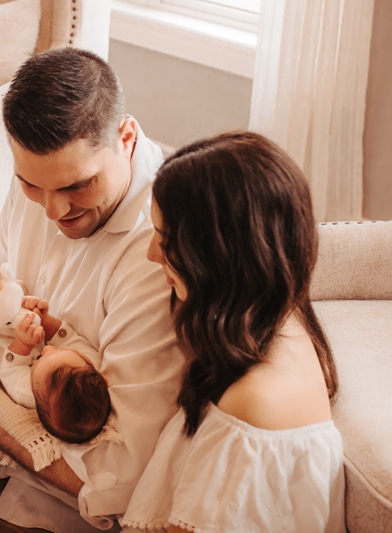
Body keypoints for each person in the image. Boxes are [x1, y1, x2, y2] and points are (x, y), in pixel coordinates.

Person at [0, 46, 185, 529]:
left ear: (125, 137)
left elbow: (125, 478)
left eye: (78, 186)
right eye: (32, 186)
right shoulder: (40, 186)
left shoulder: (159, 253)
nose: (54, 212)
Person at [120, 131, 345, 532]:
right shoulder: (278, 317)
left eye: (167, 240)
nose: (151, 253)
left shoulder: (253, 408)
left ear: (221, 255)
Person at [0, 295, 111, 444]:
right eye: (59, 350)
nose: (47, 348)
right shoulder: (90, 362)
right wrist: (45, 321)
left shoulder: (27, 393)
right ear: (102, 378)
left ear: (38, 412)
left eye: (40, 359)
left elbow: (11, 370)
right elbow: (69, 339)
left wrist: (23, 343)